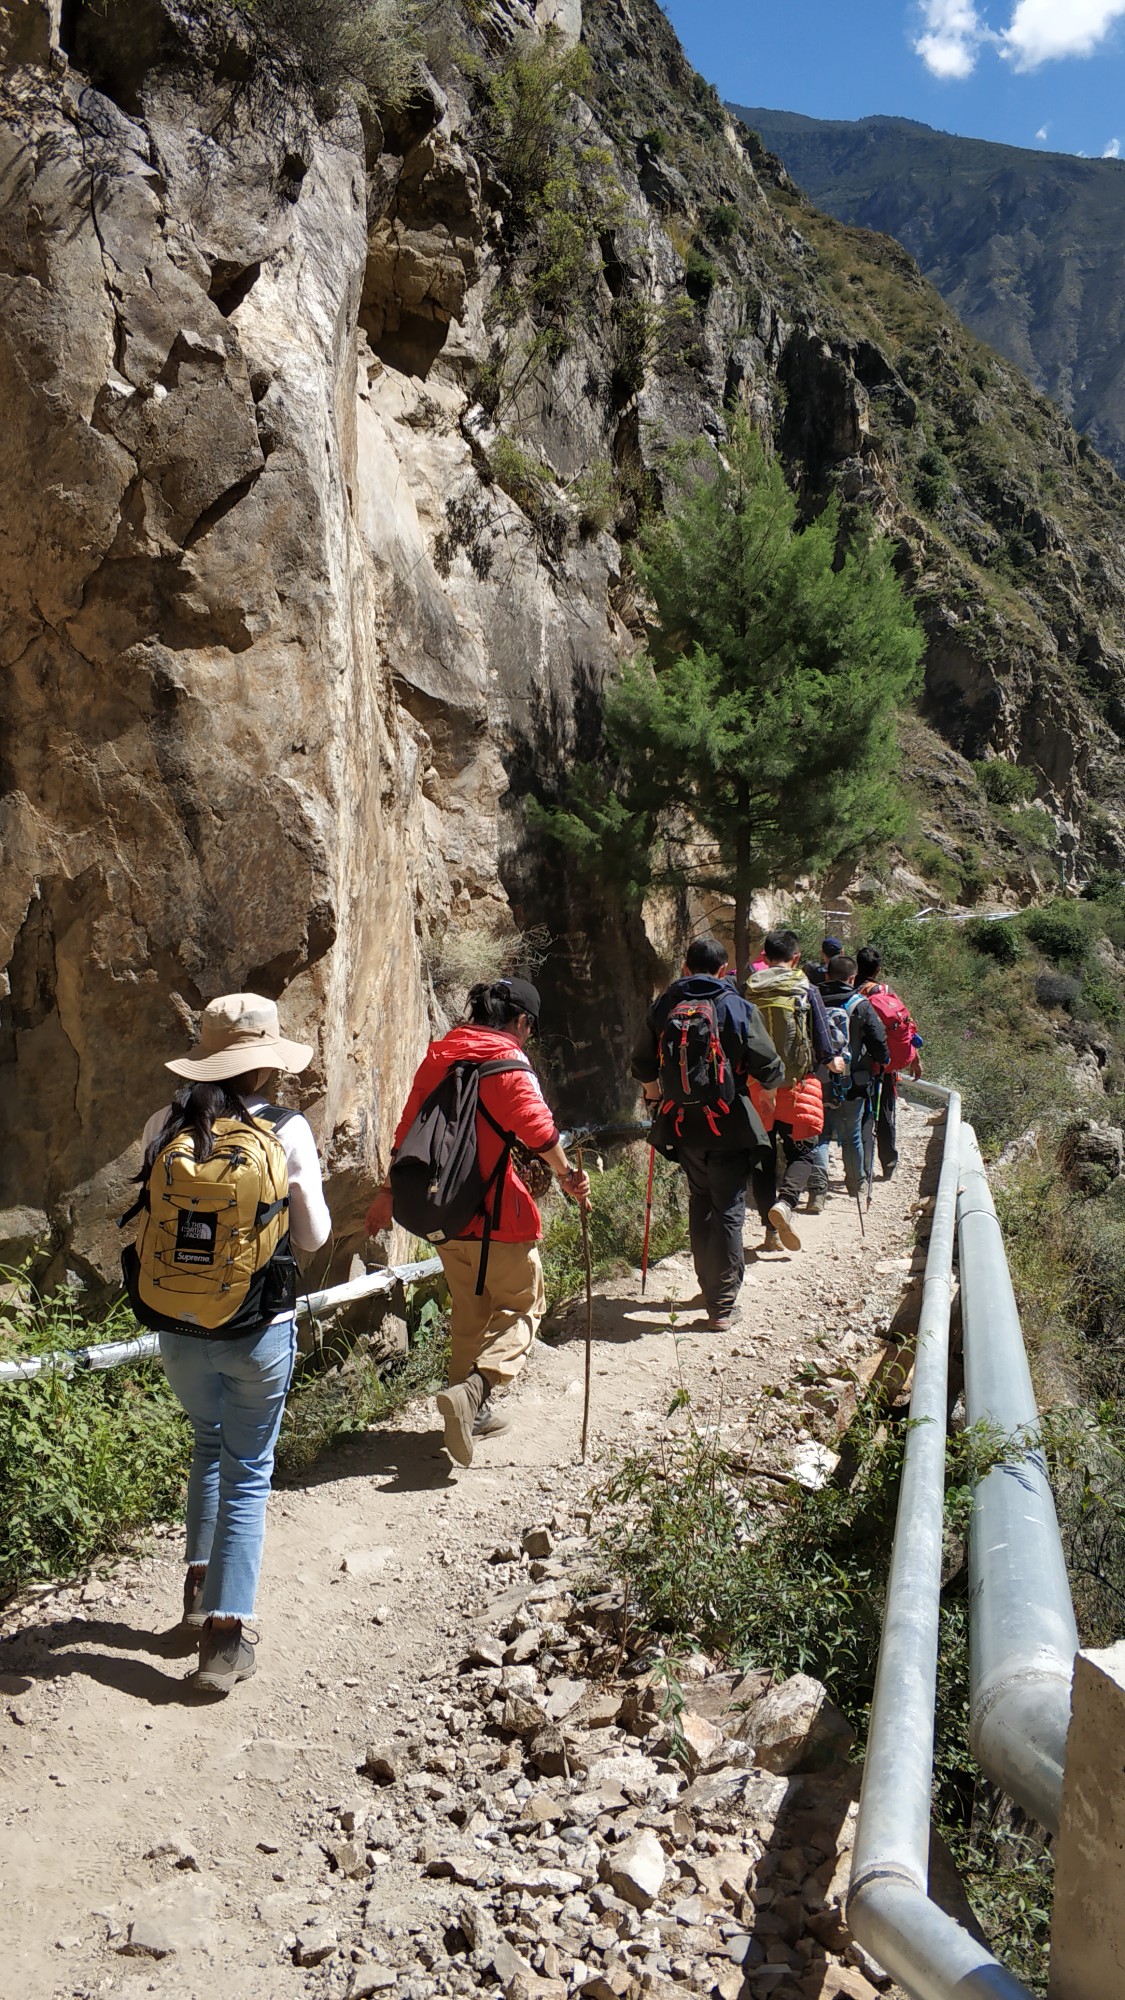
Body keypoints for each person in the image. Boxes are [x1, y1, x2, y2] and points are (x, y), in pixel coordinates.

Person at [133, 993, 331, 1695]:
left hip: (177, 1327)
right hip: (256, 1330)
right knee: (249, 1467)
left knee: (207, 1445)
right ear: (266, 1062)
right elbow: (311, 1237)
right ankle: (222, 1636)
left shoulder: (166, 1122)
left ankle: (195, 1584)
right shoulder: (286, 1129)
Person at [365, 979, 589, 1468]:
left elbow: (407, 1128)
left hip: (444, 1213)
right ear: (523, 1023)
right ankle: (476, 1391)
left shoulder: (441, 1054)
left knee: (471, 1311)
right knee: (524, 1306)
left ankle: (467, 1413)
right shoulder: (508, 1062)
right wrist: (568, 1176)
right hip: (496, 1216)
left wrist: (387, 1193)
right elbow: (539, 1129)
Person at [630, 937, 783, 1331]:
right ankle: (723, 1304)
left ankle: (707, 1285)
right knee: (729, 1206)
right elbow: (770, 1068)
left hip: (681, 1123)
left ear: (684, 968)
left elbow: (643, 1065)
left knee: (700, 1199)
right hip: (729, 1122)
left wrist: (655, 1100)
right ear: (722, 970)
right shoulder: (737, 1006)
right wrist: (762, 1094)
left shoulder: (664, 1006)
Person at [744, 928, 840, 1250]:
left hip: (759, 1088)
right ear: (796, 957)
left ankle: (769, 1234)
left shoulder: (748, 989)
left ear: (764, 957)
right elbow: (823, 1041)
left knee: (763, 1158)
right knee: (805, 1150)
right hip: (797, 1085)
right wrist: (832, 1062)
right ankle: (785, 1202)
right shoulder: (806, 989)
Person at [818, 955, 890, 1202]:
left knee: (820, 1134)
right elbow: (878, 1040)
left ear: (826, 976)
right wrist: (883, 1060)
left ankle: (817, 1192)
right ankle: (856, 1185)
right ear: (852, 978)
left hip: (817, 1081)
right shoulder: (860, 1004)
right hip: (852, 1080)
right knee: (852, 1136)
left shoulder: (811, 1000)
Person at [855, 945, 923, 1184]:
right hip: (885, 1066)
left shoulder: (850, 989)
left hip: (858, 1065)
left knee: (862, 1116)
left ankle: (861, 1169)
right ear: (878, 969)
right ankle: (888, 1163)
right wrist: (914, 1057)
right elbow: (907, 1025)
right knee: (884, 1114)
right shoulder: (885, 990)